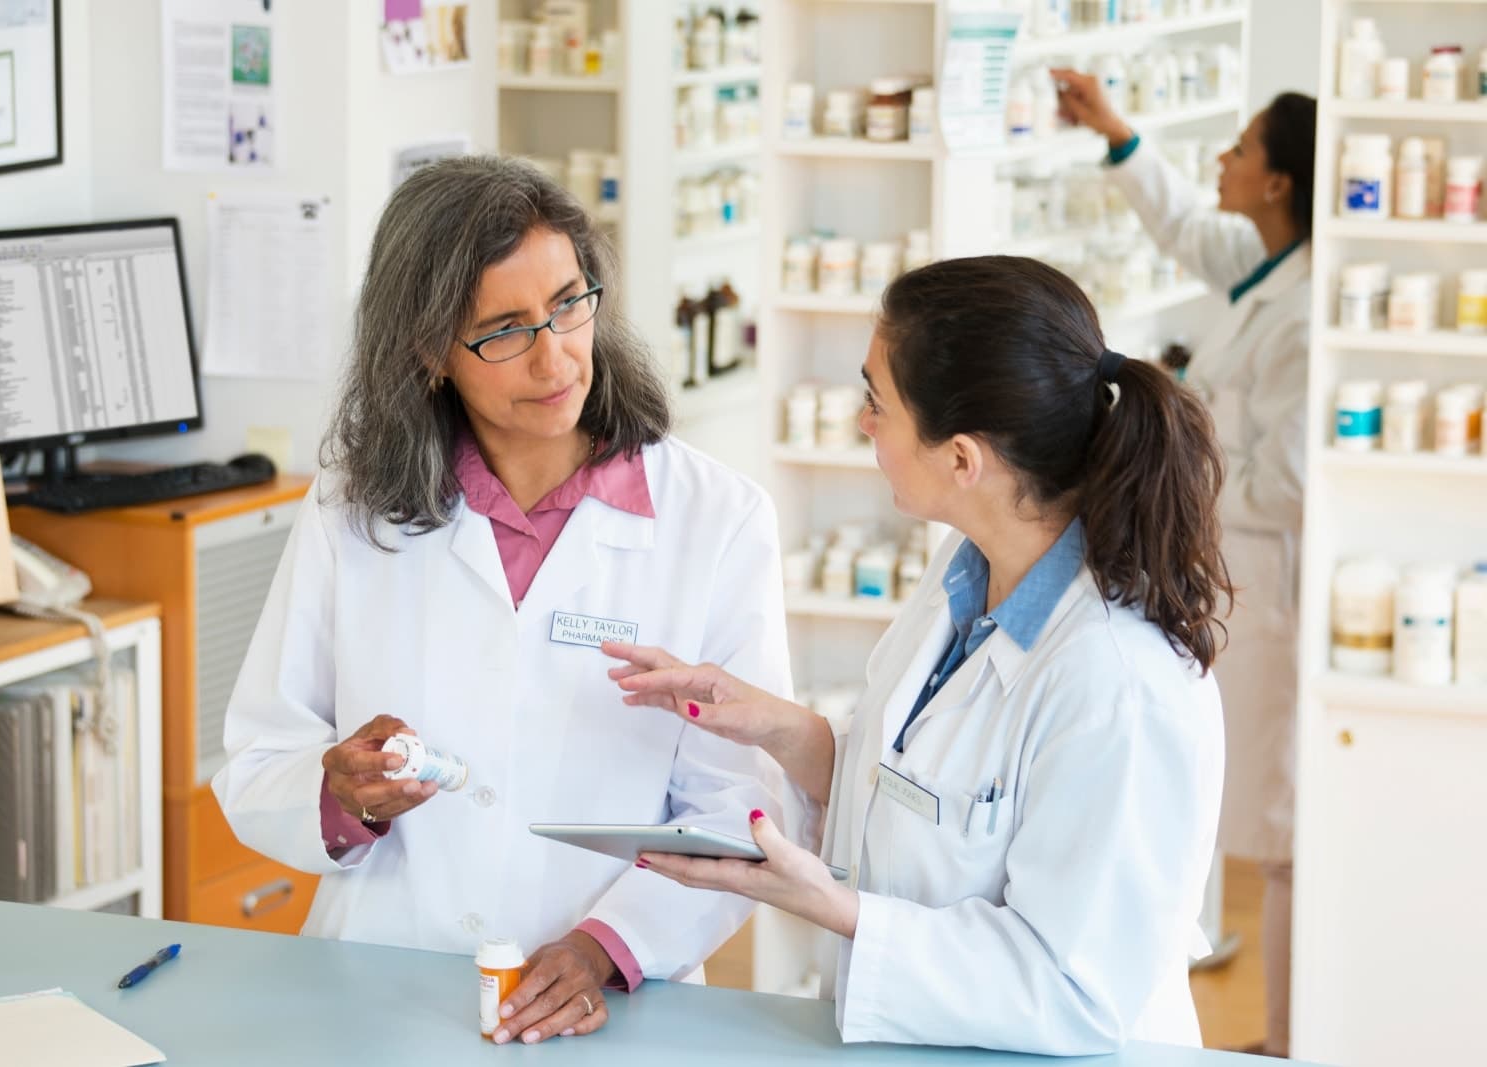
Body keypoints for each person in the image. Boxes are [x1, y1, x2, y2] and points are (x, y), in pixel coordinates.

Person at [213, 156, 792, 1046]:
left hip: (615, 1008)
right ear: (427, 350)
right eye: (506, 330)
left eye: (569, 303)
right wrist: (341, 795)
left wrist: (608, 943)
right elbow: (257, 760)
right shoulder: (348, 509)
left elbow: (741, 807)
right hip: (381, 988)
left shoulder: (716, 519)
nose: (556, 355)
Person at [605, 255, 1231, 1055]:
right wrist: (780, 728)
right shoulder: (966, 574)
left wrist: (837, 909)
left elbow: (1076, 992)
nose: (863, 422)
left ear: (962, 459)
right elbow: (923, 804)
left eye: (878, 401)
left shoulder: (1119, 681)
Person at [1052, 71, 1316, 1058]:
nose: (1222, 159)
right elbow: (1186, 230)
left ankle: (1284, 1041)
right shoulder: (1267, 264)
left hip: (1269, 582)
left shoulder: (1301, 309)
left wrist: (1178, 466)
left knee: (1282, 828)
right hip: (1231, 572)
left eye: (1240, 148)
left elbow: (1282, 482)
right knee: (1258, 814)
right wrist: (1117, 135)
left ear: (1280, 181)